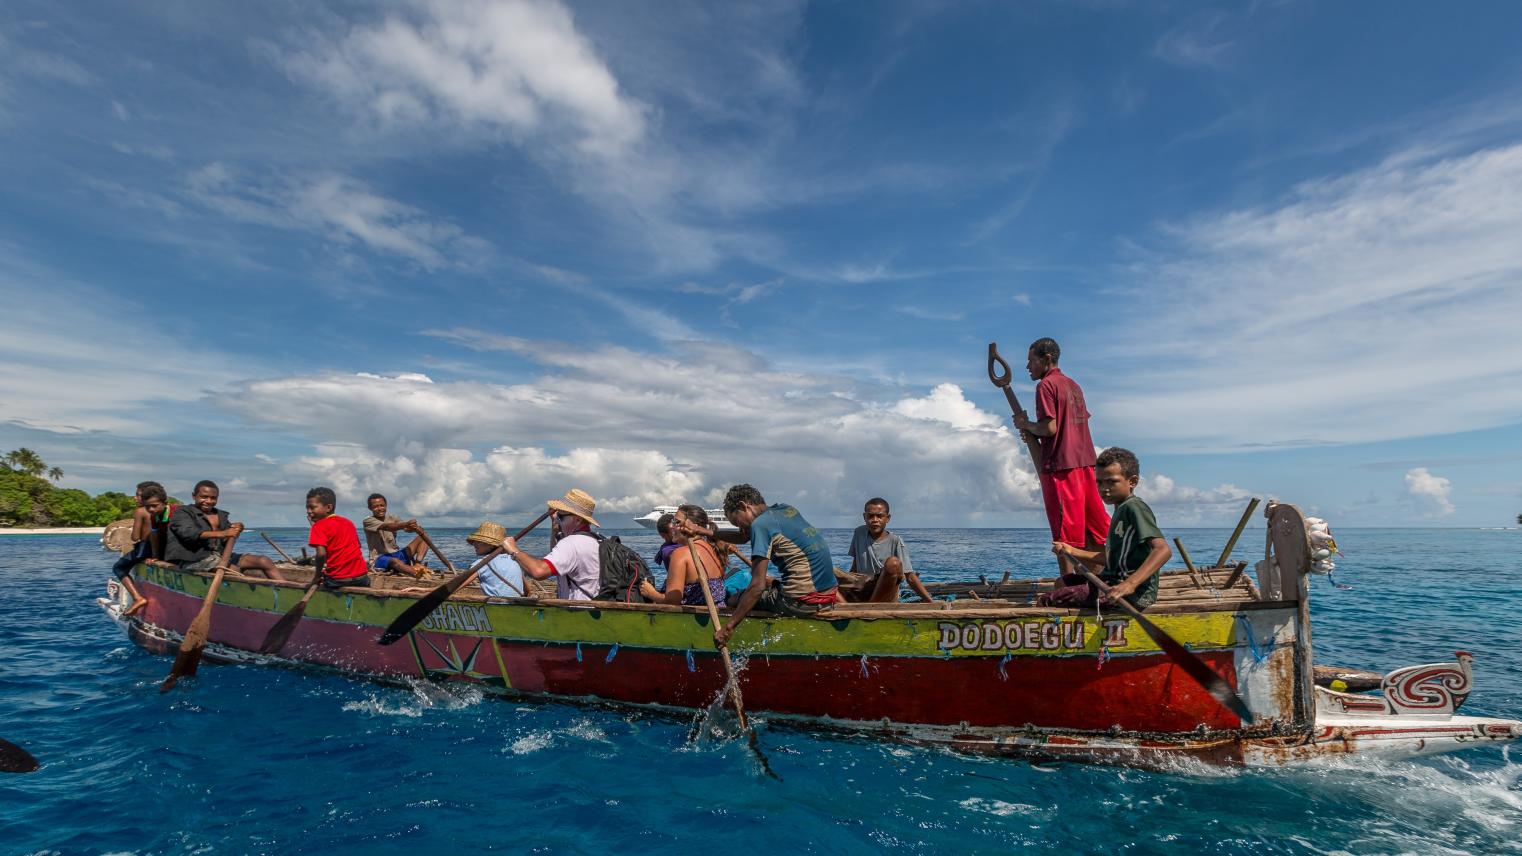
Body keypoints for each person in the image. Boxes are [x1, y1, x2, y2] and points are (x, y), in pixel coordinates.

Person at [1012, 337, 1110, 574]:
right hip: (1086, 465)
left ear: (1046, 359)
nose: (1027, 367)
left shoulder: (1046, 386)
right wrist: (1033, 432)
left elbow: (1050, 428)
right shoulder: (1073, 385)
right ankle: (1102, 578)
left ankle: (1069, 586)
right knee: (1093, 528)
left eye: (1031, 361)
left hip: (1062, 468)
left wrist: (1027, 424)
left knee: (1064, 532)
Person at [702, 484, 837, 647]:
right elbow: (744, 537)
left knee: (734, 598)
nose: (740, 529)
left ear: (743, 506)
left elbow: (757, 587)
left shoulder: (760, 525)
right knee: (768, 585)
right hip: (829, 596)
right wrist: (705, 532)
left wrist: (729, 627)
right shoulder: (786, 510)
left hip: (801, 603)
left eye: (737, 522)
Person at [1038, 447, 1171, 611]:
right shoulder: (1120, 509)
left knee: (1047, 600)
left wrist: (1129, 585)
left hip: (1131, 594)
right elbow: (1112, 558)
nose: (1104, 488)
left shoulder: (1134, 508)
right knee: (1062, 582)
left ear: (1132, 481)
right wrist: (1072, 551)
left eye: (1111, 481)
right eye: (1099, 482)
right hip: (1110, 582)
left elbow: (1163, 550)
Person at [165, 480, 285, 580]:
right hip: (193, 558)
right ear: (194, 496)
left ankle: (290, 593)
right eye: (204, 497)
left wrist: (236, 529)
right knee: (233, 570)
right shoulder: (183, 512)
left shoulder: (221, 515)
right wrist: (222, 533)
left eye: (213, 498)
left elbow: (226, 540)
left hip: (220, 556)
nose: (209, 501)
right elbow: (188, 533)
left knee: (264, 561)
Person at [499, 489, 602, 601]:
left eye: (561, 517)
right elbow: (559, 560)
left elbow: (538, 571)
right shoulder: (597, 541)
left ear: (577, 520)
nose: (557, 520)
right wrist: (554, 529)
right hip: (594, 608)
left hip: (577, 612)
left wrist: (514, 550)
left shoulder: (571, 544)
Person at [838, 497, 934, 603]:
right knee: (828, 571)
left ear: (887, 518)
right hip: (862, 589)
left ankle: (871, 607)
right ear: (864, 517)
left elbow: (910, 576)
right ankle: (845, 606)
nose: (875, 520)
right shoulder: (859, 533)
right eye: (870, 516)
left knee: (893, 563)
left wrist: (929, 601)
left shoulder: (895, 541)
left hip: (885, 593)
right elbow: (855, 566)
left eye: (879, 516)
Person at [640, 505, 726, 606]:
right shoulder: (711, 548)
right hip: (719, 608)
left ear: (694, 526)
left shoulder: (680, 554)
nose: (672, 527)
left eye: (677, 522)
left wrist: (651, 593)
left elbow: (672, 601)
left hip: (696, 617)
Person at [111, 481, 167, 616]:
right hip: (159, 549)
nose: (135, 498)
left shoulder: (140, 511)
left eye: (137, 495)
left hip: (144, 548)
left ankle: (138, 597)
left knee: (118, 568)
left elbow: (135, 537)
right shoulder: (163, 509)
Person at [304, 486, 369, 589]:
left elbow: (321, 554)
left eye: (312, 507)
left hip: (338, 579)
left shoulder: (318, 526)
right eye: (307, 508)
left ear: (328, 508)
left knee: (324, 579)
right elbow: (358, 545)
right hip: (361, 577)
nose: (308, 511)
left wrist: (317, 577)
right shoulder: (348, 523)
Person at [362, 494, 432, 578]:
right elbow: (387, 527)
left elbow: (406, 529)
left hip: (396, 554)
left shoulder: (393, 517)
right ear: (370, 508)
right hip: (379, 558)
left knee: (424, 536)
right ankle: (418, 574)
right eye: (376, 507)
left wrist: (415, 528)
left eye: (382, 505)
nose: (380, 508)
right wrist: (406, 524)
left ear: (386, 505)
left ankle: (417, 564)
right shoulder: (368, 521)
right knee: (395, 561)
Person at [466, 521, 526, 598]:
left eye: (478, 542)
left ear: (490, 545)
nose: (474, 544)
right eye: (474, 542)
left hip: (498, 605)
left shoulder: (482, 563)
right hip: (518, 602)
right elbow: (527, 590)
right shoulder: (514, 559)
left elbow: (458, 585)